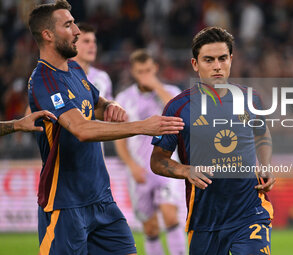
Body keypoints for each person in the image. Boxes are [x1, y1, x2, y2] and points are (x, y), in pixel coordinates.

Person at [27, 1, 184, 255]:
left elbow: (96, 103)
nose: (77, 30)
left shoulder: (75, 69)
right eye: (68, 25)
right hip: (65, 204)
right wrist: (142, 126)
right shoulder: (44, 79)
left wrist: (109, 106)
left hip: (102, 199)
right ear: (47, 35)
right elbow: (81, 129)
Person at [150, 27, 275, 255]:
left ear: (231, 60)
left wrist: (265, 164)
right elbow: (157, 161)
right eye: (208, 60)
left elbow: (262, 133)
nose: (217, 66)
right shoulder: (178, 108)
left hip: (249, 212)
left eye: (222, 58)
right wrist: (186, 170)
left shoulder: (252, 99)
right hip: (204, 220)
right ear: (195, 64)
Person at [115, 49, 186, 255]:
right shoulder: (123, 98)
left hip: (167, 166)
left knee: (171, 216)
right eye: (140, 71)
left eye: (148, 70)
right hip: (140, 171)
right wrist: (131, 165)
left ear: (155, 68)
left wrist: (156, 86)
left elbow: (179, 114)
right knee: (150, 227)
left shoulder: (170, 92)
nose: (144, 75)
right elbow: (120, 137)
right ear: (133, 72)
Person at [73, 22, 113, 100]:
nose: (92, 45)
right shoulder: (61, 76)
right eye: (86, 41)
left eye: (94, 41)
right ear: (73, 44)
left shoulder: (103, 77)